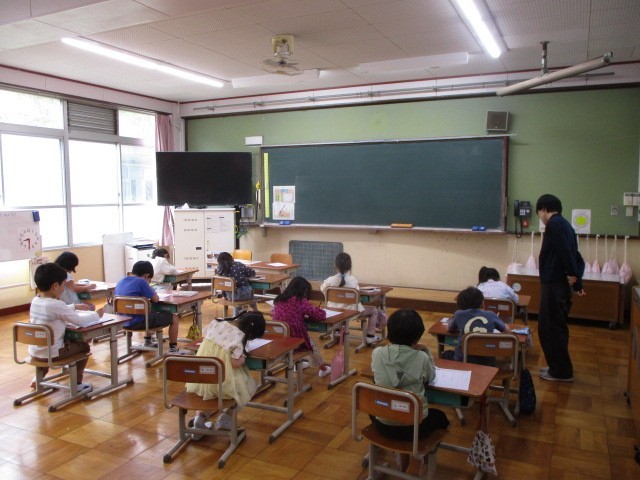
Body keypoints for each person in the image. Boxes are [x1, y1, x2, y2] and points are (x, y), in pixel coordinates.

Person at [371, 309, 450, 473]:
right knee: (442, 418)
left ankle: (400, 454)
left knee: (378, 404)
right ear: (417, 337)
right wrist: (426, 351)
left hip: (382, 425)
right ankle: (422, 457)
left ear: (390, 333)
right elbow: (431, 376)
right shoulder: (421, 357)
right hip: (413, 431)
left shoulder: (377, 353)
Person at [186, 311, 266, 438]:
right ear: (250, 334)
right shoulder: (239, 337)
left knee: (209, 394)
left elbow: (206, 337)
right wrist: (243, 359)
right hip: (221, 380)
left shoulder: (217, 322)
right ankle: (226, 418)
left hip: (201, 376)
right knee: (245, 387)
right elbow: (235, 363)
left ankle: (199, 419)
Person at [29, 262, 104, 393]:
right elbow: (80, 321)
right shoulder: (56, 304)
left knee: (50, 344)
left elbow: (56, 311)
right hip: (53, 353)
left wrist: (74, 306)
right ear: (55, 286)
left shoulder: (36, 300)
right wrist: (97, 315)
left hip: (35, 351)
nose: (64, 288)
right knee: (83, 347)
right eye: (64, 285)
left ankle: (38, 378)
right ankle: (77, 384)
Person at [536, 194, 585, 382]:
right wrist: (577, 279)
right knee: (556, 326)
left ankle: (561, 371)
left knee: (550, 328)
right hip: (559, 284)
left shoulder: (554, 225)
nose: (540, 217)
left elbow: (566, 254)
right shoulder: (566, 225)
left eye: (539, 213)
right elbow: (577, 257)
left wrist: (577, 280)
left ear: (544, 209)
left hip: (554, 284)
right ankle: (557, 367)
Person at [114, 260, 188, 354]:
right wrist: (152, 291)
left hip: (123, 321)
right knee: (174, 318)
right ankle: (173, 349)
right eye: (150, 280)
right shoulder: (141, 282)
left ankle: (147, 341)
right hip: (139, 322)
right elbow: (156, 299)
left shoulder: (122, 280)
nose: (149, 282)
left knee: (148, 311)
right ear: (147, 275)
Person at [320, 252, 387, 343]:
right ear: (350, 266)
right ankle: (370, 335)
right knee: (374, 310)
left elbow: (323, 289)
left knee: (340, 307)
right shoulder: (352, 280)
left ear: (335, 265)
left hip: (334, 312)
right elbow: (357, 295)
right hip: (350, 313)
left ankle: (337, 331)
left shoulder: (329, 280)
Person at [273, 276, 332, 377]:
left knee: (301, 336)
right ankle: (323, 369)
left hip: (279, 338)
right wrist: (318, 310)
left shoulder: (278, 300)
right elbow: (320, 315)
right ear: (304, 291)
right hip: (295, 341)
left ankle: (297, 365)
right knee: (311, 345)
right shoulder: (299, 301)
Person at [447, 286, 510, 366]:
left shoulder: (458, 314)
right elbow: (507, 331)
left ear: (460, 304)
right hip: (487, 363)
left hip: (463, 360)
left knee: (446, 354)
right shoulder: (491, 314)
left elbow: (449, 328)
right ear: (482, 303)